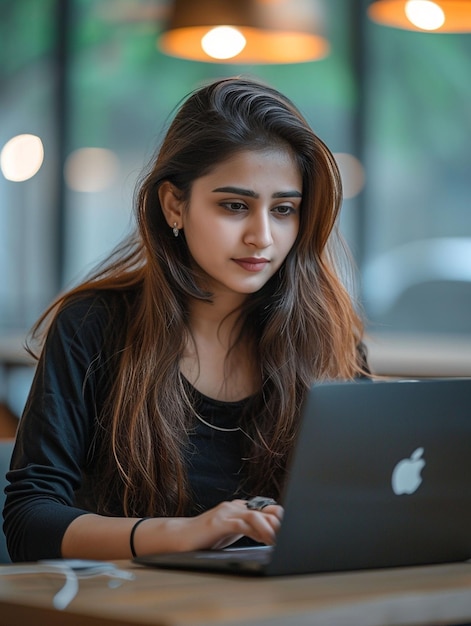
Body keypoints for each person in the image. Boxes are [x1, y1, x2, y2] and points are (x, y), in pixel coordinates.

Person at [3, 76, 369, 562]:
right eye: (235, 206)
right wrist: (180, 534)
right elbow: (29, 521)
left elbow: (367, 506)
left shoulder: (330, 338)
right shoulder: (93, 325)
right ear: (175, 204)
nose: (262, 236)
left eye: (283, 210)